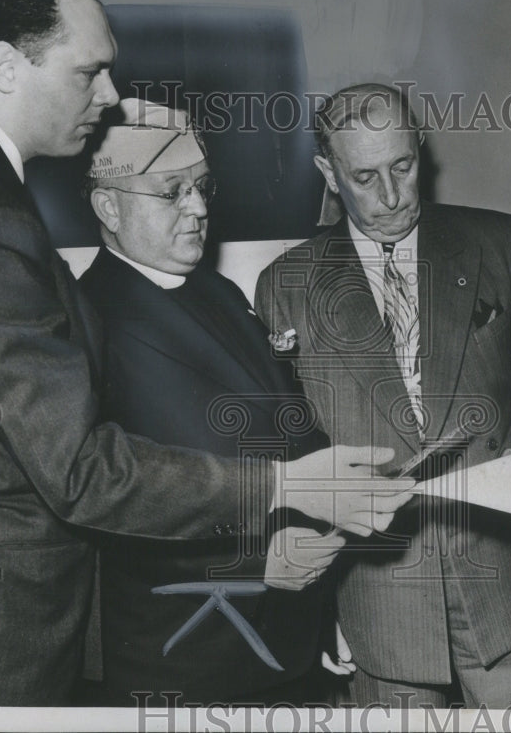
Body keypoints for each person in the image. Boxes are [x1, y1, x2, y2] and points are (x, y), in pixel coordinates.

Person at [0, 0, 410, 706]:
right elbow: (81, 471)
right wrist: (287, 486)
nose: (111, 94)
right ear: (7, 68)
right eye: (90, 73)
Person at [254, 83, 511, 708]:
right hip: (379, 601)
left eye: (403, 166)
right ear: (328, 171)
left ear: (420, 147)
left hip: (509, 585)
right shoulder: (285, 284)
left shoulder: (499, 243)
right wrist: (323, 610)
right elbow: (293, 454)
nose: (393, 195)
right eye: (365, 176)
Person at [79, 98, 355, 705]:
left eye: (202, 188)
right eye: (171, 192)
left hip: (288, 637)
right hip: (183, 656)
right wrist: (253, 566)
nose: (199, 209)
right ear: (108, 207)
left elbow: (289, 426)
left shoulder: (222, 291)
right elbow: (103, 499)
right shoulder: (81, 320)